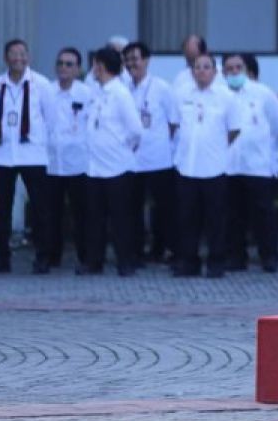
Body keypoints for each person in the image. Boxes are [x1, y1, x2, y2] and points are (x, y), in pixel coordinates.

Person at [0, 39, 55, 274]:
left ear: (29, 57)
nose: (18, 58)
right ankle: (0, 258)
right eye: (13, 54)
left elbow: (51, 118)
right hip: (3, 155)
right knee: (1, 210)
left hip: (33, 154)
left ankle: (43, 256)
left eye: (22, 53)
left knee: (40, 209)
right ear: (6, 58)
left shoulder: (41, 84)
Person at [172, 53, 242, 278]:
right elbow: (174, 125)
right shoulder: (182, 94)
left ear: (215, 71)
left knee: (216, 220)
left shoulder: (226, 97)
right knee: (186, 218)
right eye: (197, 67)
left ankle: (216, 262)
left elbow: (234, 130)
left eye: (206, 67)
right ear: (192, 71)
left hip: (214, 168)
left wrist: (216, 148)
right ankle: (188, 261)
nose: (201, 71)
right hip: (187, 167)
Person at [79, 47, 144, 277]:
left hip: (117, 167)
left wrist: (121, 146)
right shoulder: (96, 91)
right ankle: (93, 261)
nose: (93, 69)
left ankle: (125, 261)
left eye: (96, 65)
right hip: (95, 167)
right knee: (94, 218)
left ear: (101, 66)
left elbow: (136, 129)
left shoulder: (120, 93)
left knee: (120, 219)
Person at [224, 53, 278, 272]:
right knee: (233, 215)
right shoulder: (221, 94)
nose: (233, 72)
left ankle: (269, 257)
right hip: (230, 165)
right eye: (229, 68)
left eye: (237, 67)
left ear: (246, 69)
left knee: (263, 215)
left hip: (258, 165)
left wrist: (268, 153)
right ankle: (236, 258)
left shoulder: (263, 93)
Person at [123, 41, 180, 266]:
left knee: (164, 208)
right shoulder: (122, 87)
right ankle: (135, 251)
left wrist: (159, 141)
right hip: (130, 160)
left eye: (135, 59)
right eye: (127, 60)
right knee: (132, 208)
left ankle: (164, 249)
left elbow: (174, 122)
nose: (131, 64)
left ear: (146, 61)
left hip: (158, 158)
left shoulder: (162, 87)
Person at [44, 47, 92, 268]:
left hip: (79, 162)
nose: (63, 68)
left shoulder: (87, 93)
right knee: (50, 213)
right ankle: (52, 257)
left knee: (81, 214)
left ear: (78, 69)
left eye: (69, 64)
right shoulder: (46, 92)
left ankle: (85, 256)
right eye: (60, 63)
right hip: (52, 162)